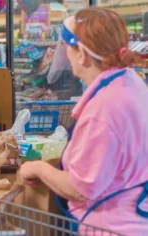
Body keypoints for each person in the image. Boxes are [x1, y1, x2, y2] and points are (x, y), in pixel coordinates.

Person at [19, 7, 148, 235]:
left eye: (68, 48)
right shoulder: (131, 83)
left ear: (82, 54)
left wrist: (37, 168)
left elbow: (80, 189)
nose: (65, 54)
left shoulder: (104, 109)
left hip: (108, 226)